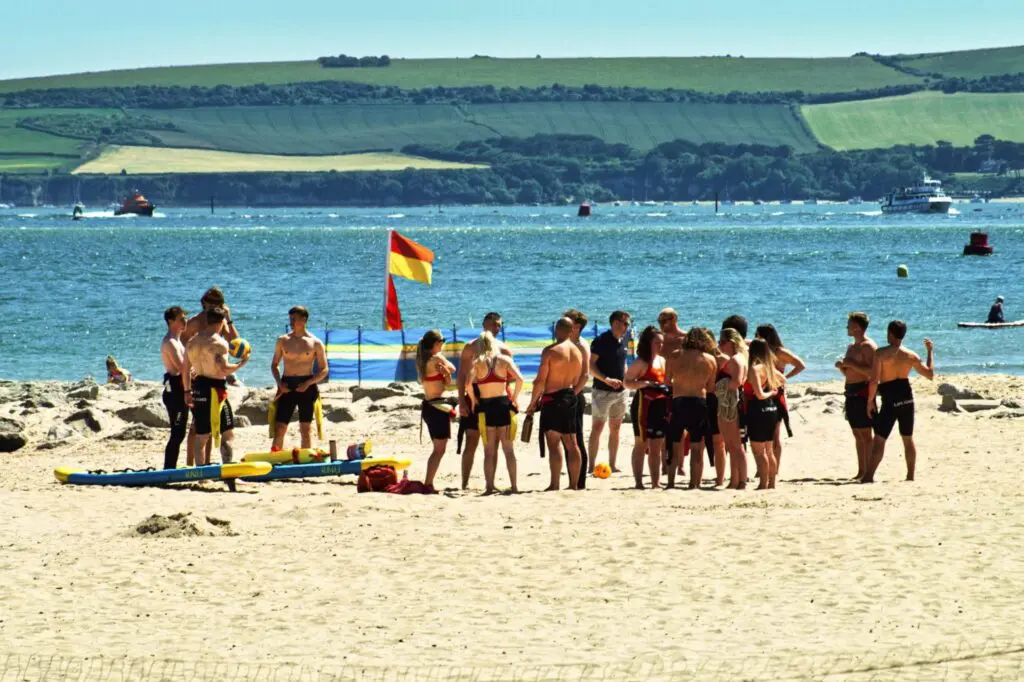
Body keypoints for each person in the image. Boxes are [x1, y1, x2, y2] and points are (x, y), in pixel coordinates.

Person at [182, 307, 248, 490]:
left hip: (198, 388)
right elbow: (224, 370)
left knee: (201, 434)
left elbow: (185, 370)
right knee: (228, 433)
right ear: (222, 322)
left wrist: (187, 392)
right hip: (216, 390)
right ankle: (229, 473)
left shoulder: (192, 342)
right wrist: (242, 363)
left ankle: (202, 475)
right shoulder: (219, 343)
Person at [863, 321, 935, 483]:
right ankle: (910, 476)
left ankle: (868, 477)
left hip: (890, 398)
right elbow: (930, 374)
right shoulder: (911, 355)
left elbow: (874, 380)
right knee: (907, 439)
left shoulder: (880, 354)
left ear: (890, 333)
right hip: (906, 397)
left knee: (879, 439)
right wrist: (930, 352)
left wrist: (870, 401)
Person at [182, 287, 240, 466]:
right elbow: (183, 343)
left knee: (212, 425)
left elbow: (235, 344)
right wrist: (191, 364)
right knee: (198, 426)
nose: (214, 306)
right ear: (204, 303)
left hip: (215, 372)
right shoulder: (195, 322)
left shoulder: (220, 320)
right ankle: (191, 464)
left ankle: (206, 463)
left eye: (218, 304)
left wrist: (228, 320)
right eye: (211, 303)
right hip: (199, 374)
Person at [456, 312, 512, 490]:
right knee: (471, 441)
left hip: (496, 399)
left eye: (498, 325)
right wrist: (462, 401)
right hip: (474, 397)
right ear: (483, 325)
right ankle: (464, 483)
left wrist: (511, 400)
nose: (496, 328)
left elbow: (508, 379)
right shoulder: (471, 347)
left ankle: (491, 483)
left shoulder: (503, 349)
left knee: (493, 443)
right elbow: (462, 377)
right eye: (492, 324)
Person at [528, 318, 584, 491]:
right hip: (570, 395)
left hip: (553, 398)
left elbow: (540, 381)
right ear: (571, 331)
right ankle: (573, 484)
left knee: (553, 442)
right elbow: (580, 378)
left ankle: (555, 484)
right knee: (572, 442)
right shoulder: (578, 352)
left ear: (557, 330)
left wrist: (532, 403)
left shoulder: (550, 351)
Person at [468, 331, 524, 494]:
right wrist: (514, 397)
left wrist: (473, 400)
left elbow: (467, 384)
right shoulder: (504, 359)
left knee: (489, 451)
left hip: (486, 407)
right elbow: (520, 379)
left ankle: (489, 486)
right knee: (509, 450)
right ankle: (514, 486)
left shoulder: (477, 362)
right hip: (503, 405)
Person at [270, 306, 328, 451]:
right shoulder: (283, 340)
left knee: (305, 428)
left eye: (294, 319)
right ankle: (276, 457)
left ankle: (305, 460)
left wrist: (308, 383)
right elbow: (274, 365)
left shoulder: (315, 342)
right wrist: (279, 384)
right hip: (287, 384)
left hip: (306, 386)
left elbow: (324, 369)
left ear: (304, 319)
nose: (291, 321)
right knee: (280, 426)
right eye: (290, 319)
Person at [665, 328, 717, 490]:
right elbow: (710, 388)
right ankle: (694, 483)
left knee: (674, 444)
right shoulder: (710, 359)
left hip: (679, 401)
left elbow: (667, 381)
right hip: (699, 403)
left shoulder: (674, 355)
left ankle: (671, 483)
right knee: (696, 446)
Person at [623, 326, 670, 489]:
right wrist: (645, 383)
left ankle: (655, 482)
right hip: (643, 405)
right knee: (641, 443)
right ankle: (638, 482)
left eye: (662, 342)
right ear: (648, 343)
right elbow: (627, 382)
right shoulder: (641, 362)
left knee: (657, 445)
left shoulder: (662, 360)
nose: (661, 345)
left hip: (660, 405)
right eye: (657, 342)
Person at [754, 324, 805, 473]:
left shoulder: (779, 352)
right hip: (761, 392)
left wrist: (785, 378)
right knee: (760, 434)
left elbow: (800, 365)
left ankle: (774, 469)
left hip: (776, 393)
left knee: (775, 434)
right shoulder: (759, 351)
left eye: (757, 334)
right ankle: (762, 468)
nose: (756, 336)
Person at [588, 311, 631, 474]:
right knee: (597, 427)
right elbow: (590, 365)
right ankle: (591, 466)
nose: (627, 326)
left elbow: (623, 362)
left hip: (621, 392)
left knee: (616, 428)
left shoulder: (625, 339)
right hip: (602, 391)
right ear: (615, 323)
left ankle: (612, 465)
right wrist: (606, 379)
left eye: (628, 323)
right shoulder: (601, 341)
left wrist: (627, 379)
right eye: (624, 323)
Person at [835, 312, 877, 479]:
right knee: (857, 434)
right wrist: (842, 367)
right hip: (850, 391)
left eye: (849, 324)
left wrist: (851, 364)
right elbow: (849, 373)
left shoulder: (868, 346)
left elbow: (874, 373)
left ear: (857, 327)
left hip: (863, 391)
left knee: (866, 434)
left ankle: (869, 471)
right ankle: (861, 471)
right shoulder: (851, 347)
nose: (847, 327)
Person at [417, 329, 456, 490]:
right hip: (437, 406)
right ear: (436, 344)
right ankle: (428, 483)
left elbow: (446, 380)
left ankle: (429, 482)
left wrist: (445, 374)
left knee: (438, 449)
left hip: (429, 405)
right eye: (441, 342)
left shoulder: (423, 360)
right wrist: (447, 372)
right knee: (439, 450)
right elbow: (453, 368)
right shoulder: (435, 358)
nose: (442, 345)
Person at [746, 339, 784, 490]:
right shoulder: (769, 368)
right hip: (771, 410)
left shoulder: (755, 369)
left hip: (758, 409)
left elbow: (759, 394)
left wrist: (770, 392)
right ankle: (772, 484)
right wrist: (774, 390)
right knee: (769, 450)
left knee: (759, 451)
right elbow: (783, 380)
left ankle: (763, 484)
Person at [717, 328, 749, 489]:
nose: (720, 345)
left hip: (732, 403)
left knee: (735, 445)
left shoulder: (736, 360)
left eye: (722, 342)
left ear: (731, 342)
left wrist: (718, 386)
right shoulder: (740, 358)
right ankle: (735, 480)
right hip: (733, 402)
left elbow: (736, 382)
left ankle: (741, 480)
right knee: (732, 445)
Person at [562, 308, 591, 489]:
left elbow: (585, 374)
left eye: (567, 321)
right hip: (565, 394)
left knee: (576, 439)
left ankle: (579, 482)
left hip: (574, 395)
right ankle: (573, 480)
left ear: (577, 326)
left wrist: (572, 394)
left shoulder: (580, 345)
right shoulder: (567, 343)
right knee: (567, 440)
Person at [160, 306, 188, 469]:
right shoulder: (170, 342)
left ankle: (171, 468)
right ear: (171, 321)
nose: (185, 321)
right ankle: (169, 469)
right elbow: (181, 368)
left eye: (185, 318)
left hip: (180, 388)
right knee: (177, 433)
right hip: (175, 391)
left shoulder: (178, 341)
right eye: (181, 319)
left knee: (181, 432)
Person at [703, 329, 730, 487]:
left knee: (719, 441)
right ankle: (716, 477)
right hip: (707, 399)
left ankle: (720, 478)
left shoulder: (721, 359)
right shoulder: (705, 359)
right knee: (704, 440)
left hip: (715, 399)